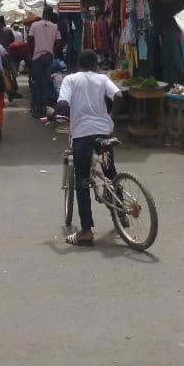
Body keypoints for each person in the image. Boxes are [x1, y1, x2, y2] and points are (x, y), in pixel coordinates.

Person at [56, 50, 123, 247]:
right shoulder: (102, 79)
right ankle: (122, 214)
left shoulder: (70, 79)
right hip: (104, 133)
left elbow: (62, 103)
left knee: (82, 181)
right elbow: (118, 95)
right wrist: (112, 118)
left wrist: (52, 114)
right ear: (96, 65)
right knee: (111, 172)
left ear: (79, 64)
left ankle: (86, 232)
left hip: (83, 136)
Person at [28, 8, 62, 117]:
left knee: (38, 83)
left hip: (37, 56)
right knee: (47, 82)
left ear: (43, 13)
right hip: (49, 56)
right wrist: (52, 51)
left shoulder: (34, 25)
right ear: (50, 14)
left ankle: (38, 109)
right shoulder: (55, 26)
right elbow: (59, 42)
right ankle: (45, 108)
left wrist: (34, 51)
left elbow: (29, 40)